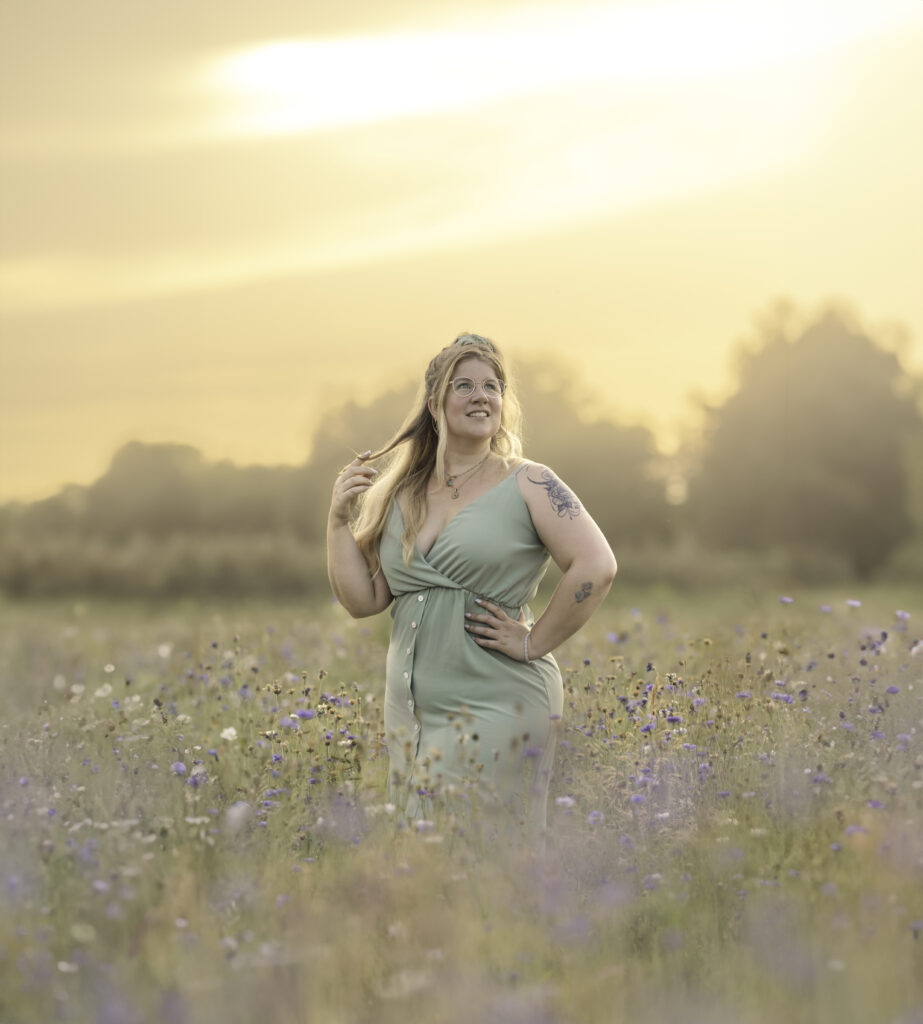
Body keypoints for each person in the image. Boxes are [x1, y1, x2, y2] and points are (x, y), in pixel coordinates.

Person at [327, 333, 616, 839]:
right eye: (465, 385)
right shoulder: (400, 492)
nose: (482, 395)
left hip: (500, 700)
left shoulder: (530, 482)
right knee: (424, 868)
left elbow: (596, 565)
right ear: (435, 404)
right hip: (413, 712)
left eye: (493, 386)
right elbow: (363, 600)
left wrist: (533, 642)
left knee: (479, 858)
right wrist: (336, 523)